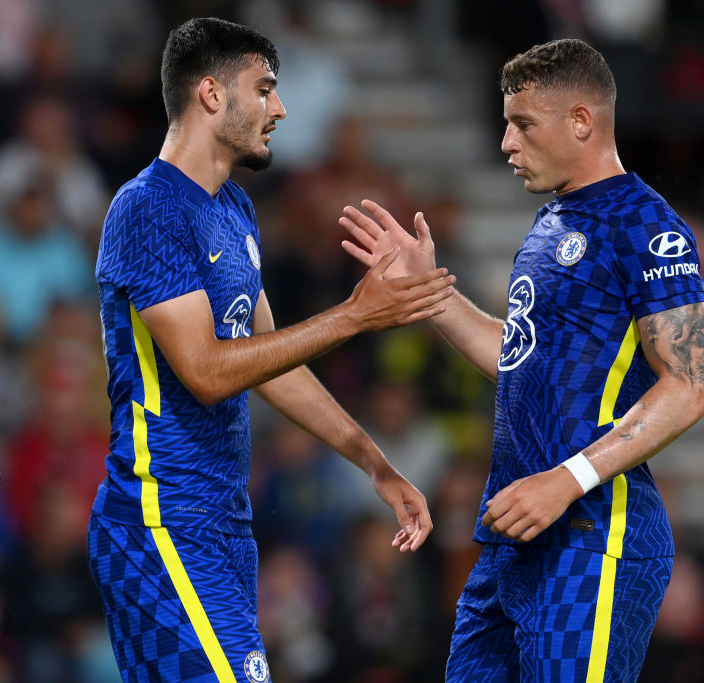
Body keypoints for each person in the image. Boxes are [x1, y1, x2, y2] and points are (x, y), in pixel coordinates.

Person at [87, 17, 456, 682]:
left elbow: (270, 361)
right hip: (158, 518)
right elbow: (203, 371)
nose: (280, 108)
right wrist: (353, 315)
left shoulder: (234, 209)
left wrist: (373, 461)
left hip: (222, 522)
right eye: (264, 89)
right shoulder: (147, 209)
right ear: (210, 95)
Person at [340, 38, 704, 682]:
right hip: (514, 536)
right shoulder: (551, 223)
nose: (507, 143)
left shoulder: (647, 226)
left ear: (581, 121)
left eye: (522, 124)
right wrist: (432, 292)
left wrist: (567, 479)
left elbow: (689, 387)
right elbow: (518, 358)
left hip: (595, 537)